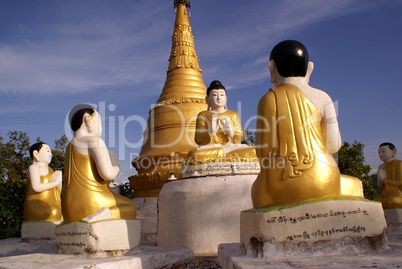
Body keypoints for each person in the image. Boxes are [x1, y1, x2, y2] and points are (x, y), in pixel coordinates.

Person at [251, 40, 363, 208]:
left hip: (279, 186)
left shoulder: (268, 100)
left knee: (257, 190)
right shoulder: (324, 97)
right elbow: (333, 145)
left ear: (271, 68)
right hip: (324, 179)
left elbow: (262, 151)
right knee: (352, 184)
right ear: (309, 68)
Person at [62, 104, 136, 223]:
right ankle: (99, 215)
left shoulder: (69, 147)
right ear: (88, 119)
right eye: (99, 121)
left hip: (69, 208)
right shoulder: (94, 141)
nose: (100, 126)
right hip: (92, 202)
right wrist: (116, 165)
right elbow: (107, 174)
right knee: (130, 206)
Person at [186, 80, 257, 163]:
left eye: (222, 95)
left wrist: (231, 133)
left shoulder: (233, 114)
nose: (219, 98)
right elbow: (198, 139)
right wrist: (211, 132)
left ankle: (224, 157)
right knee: (194, 154)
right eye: (215, 95)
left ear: (226, 98)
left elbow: (240, 137)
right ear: (207, 99)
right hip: (212, 149)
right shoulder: (203, 115)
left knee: (253, 151)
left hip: (230, 148)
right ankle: (226, 157)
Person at [23, 142, 62, 221]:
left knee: (64, 210)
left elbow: (57, 191)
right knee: (53, 212)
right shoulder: (34, 168)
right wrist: (54, 183)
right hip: (37, 204)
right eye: (47, 151)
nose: (50, 154)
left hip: (52, 203)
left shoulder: (51, 170)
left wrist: (59, 180)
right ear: (36, 154)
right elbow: (36, 187)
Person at [374, 142, 402, 208]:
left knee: (394, 201)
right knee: (375, 202)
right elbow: (380, 186)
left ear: (394, 152)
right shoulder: (381, 167)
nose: (381, 154)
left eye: (383, 151)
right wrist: (381, 179)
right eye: (379, 152)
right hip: (385, 195)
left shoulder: (398, 164)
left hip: (397, 195)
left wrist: (384, 179)